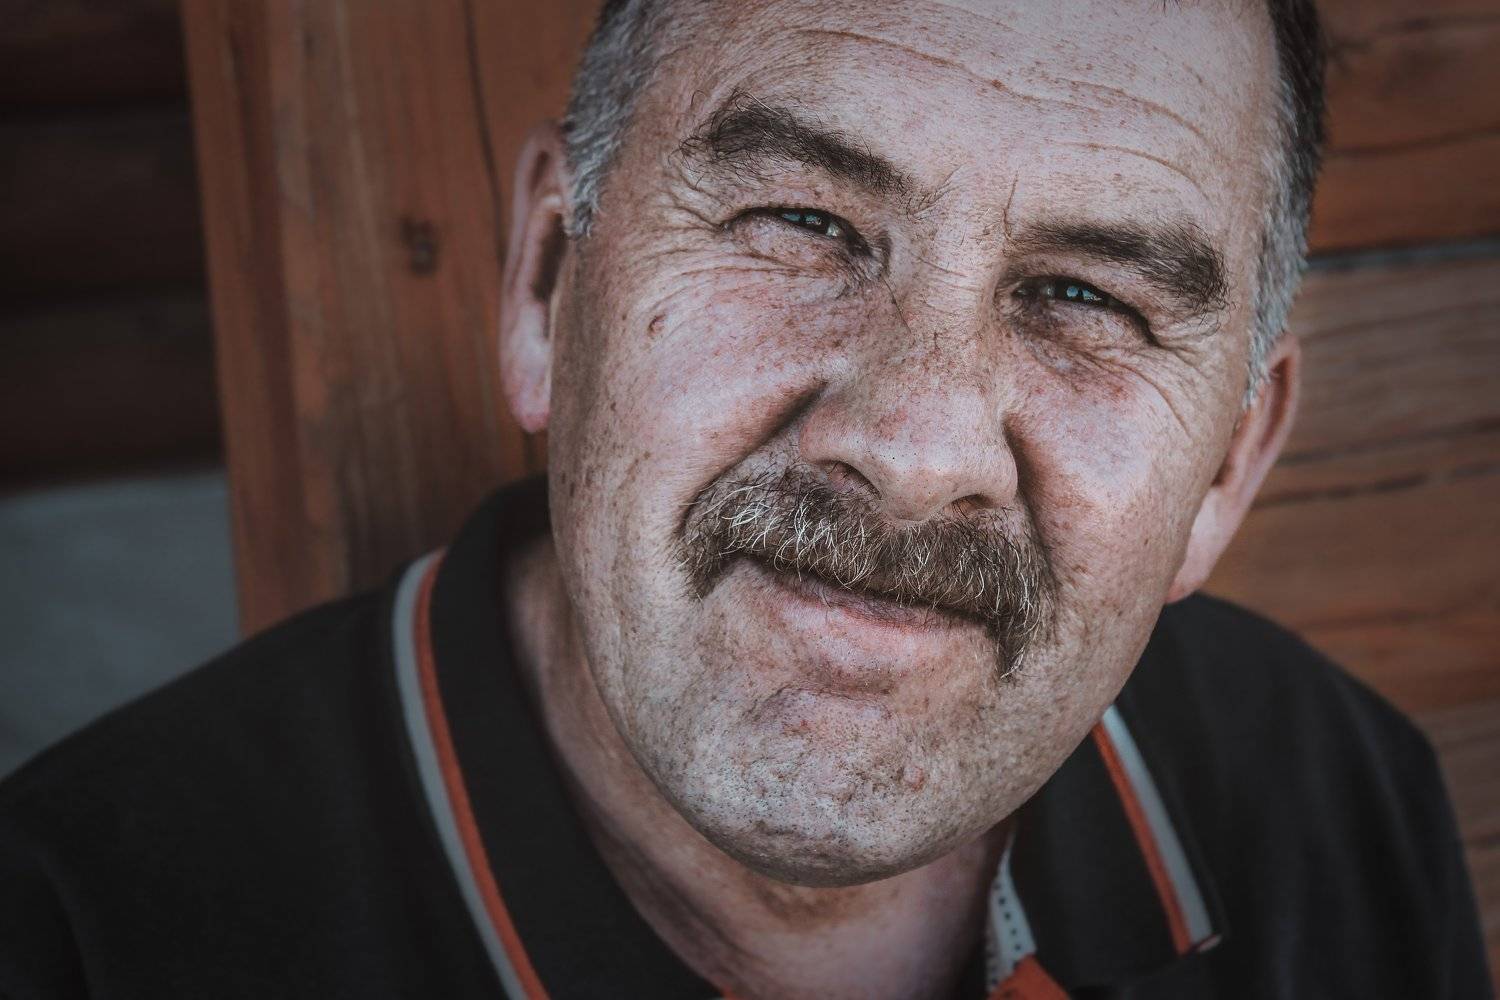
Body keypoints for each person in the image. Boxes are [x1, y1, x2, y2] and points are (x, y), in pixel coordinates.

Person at [1, 0, 1491, 997]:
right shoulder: (81, 935)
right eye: (802, 220)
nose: (913, 446)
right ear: (548, 283)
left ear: (1229, 464)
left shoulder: (1331, 798)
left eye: (1085, 298)